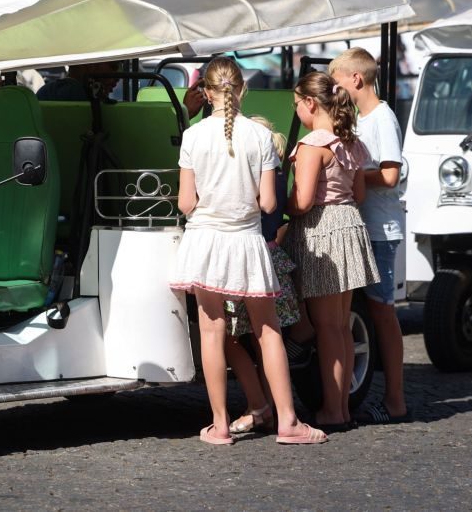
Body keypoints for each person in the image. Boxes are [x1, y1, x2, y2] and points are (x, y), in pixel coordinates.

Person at [169, 55, 327, 446]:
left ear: (205, 93)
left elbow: (185, 203)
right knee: (268, 331)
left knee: (211, 331)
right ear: (242, 89)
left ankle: (220, 426)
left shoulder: (193, 136)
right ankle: (288, 423)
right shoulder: (259, 137)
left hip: (205, 240)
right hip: (246, 241)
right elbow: (269, 203)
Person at [285, 71, 380, 431]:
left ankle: (333, 411)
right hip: (350, 227)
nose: (296, 111)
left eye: (296, 105)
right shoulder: (351, 142)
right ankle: (341, 407)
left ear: (310, 103)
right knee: (340, 327)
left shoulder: (312, 146)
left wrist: (282, 203)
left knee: (325, 329)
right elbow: (359, 195)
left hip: (323, 232)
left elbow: (303, 201)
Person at [329, 47, 411, 424]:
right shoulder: (363, 119)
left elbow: (391, 175)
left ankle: (395, 400)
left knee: (382, 314)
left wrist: (352, 175)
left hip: (381, 228)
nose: (335, 89)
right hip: (366, 225)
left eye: (337, 82)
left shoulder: (381, 118)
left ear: (355, 80)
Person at [223, 114, 303, 435]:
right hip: (272, 258)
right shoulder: (277, 172)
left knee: (229, 338)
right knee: (266, 339)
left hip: (246, 258)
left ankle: (257, 406)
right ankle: (268, 406)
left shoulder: (253, 174)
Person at [36, 61, 119, 101]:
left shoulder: (45, 90)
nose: (116, 77)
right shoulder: (77, 92)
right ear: (91, 64)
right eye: (113, 67)